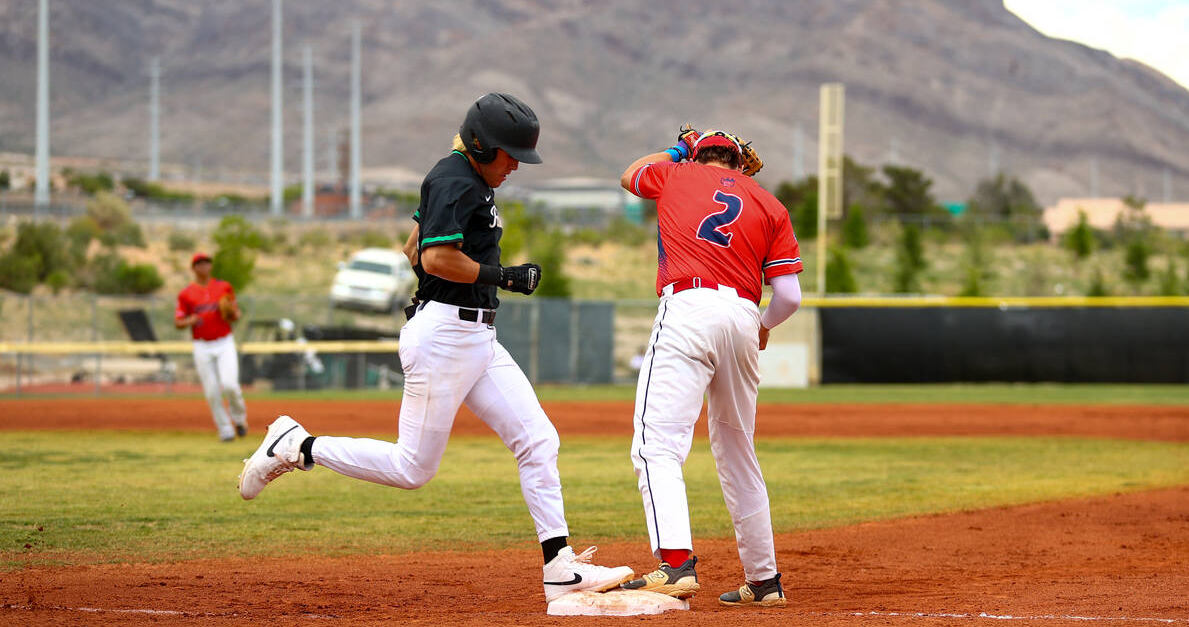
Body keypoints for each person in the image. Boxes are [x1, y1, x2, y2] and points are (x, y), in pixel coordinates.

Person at [238, 92, 633, 603]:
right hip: (447, 336)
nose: (515, 164)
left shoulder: (463, 177)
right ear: (480, 145)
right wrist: (502, 277)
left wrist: (453, 291)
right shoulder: (453, 179)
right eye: (509, 154)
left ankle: (559, 569)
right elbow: (436, 258)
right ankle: (296, 446)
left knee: (538, 441)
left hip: (474, 335)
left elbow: (412, 250)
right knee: (413, 469)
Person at [616, 128, 804, 608]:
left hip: (688, 307)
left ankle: (676, 565)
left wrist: (679, 149)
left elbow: (629, 174)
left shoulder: (676, 172)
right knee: (739, 452)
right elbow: (789, 297)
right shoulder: (769, 203)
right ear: (740, 164)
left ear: (697, 155)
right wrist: (762, 326)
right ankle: (765, 582)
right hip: (742, 315)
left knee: (656, 444)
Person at [175, 251, 247, 442]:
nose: (204, 266)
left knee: (231, 385)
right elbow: (178, 321)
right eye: (199, 263)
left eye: (207, 262)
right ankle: (225, 430)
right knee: (212, 390)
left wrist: (233, 313)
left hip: (224, 342)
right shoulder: (186, 293)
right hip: (202, 345)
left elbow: (236, 312)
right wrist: (190, 320)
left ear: (211, 266)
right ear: (194, 268)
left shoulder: (224, 287)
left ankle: (239, 420)